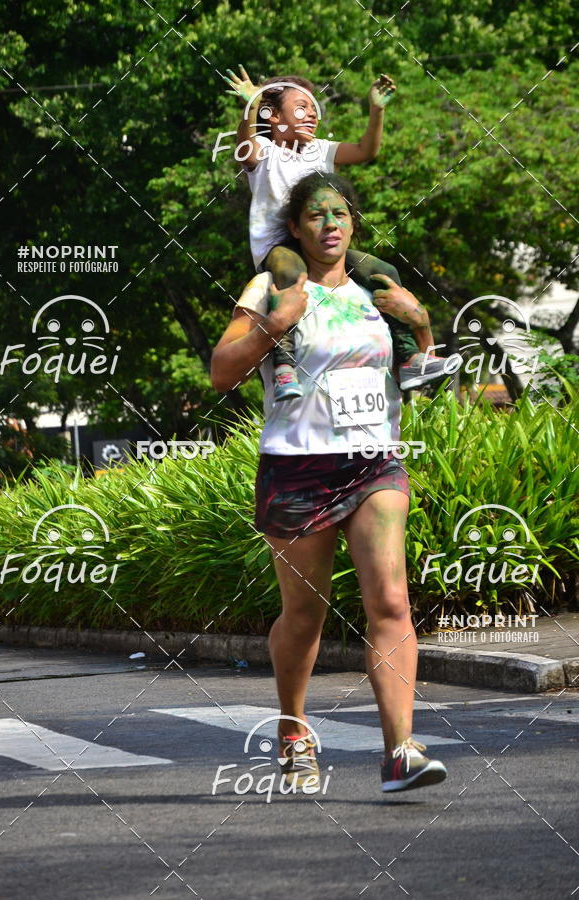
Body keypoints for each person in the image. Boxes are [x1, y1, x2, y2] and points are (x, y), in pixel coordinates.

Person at [211, 172, 447, 793]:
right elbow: (221, 371)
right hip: (297, 467)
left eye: (340, 214)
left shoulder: (378, 287)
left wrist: (421, 322)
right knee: (304, 615)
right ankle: (292, 727)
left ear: (352, 222)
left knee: (391, 601)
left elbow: (422, 370)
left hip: (374, 462)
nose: (330, 225)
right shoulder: (271, 285)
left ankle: (400, 750)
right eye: (315, 216)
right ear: (295, 227)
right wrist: (277, 322)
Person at [224, 66, 453, 400]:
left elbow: (365, 151)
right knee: (292, 273)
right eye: (301, 108)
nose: (312, 115)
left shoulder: (321, 149)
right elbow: (245, 145)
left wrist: (377, 110)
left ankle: (406, 358)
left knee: (384, 271)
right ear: (272, 117)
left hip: (322, 244)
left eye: (314, 109)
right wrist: (252, 106)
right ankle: (284, 363)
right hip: (282, 246)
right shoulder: (265, 151)